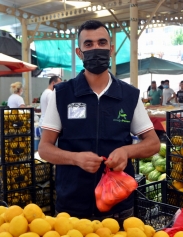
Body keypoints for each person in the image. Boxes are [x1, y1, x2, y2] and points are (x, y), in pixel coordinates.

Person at [38, 20, 159, 223]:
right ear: (79, 52)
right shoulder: (62, 95)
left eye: (102, 43)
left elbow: (153, 143)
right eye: (89, 44)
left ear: (111, 49)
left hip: (118, 206)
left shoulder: (129, 95)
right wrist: (75, 158)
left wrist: (126, 151)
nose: (96, 48)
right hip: (72, 207)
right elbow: (44, 148)